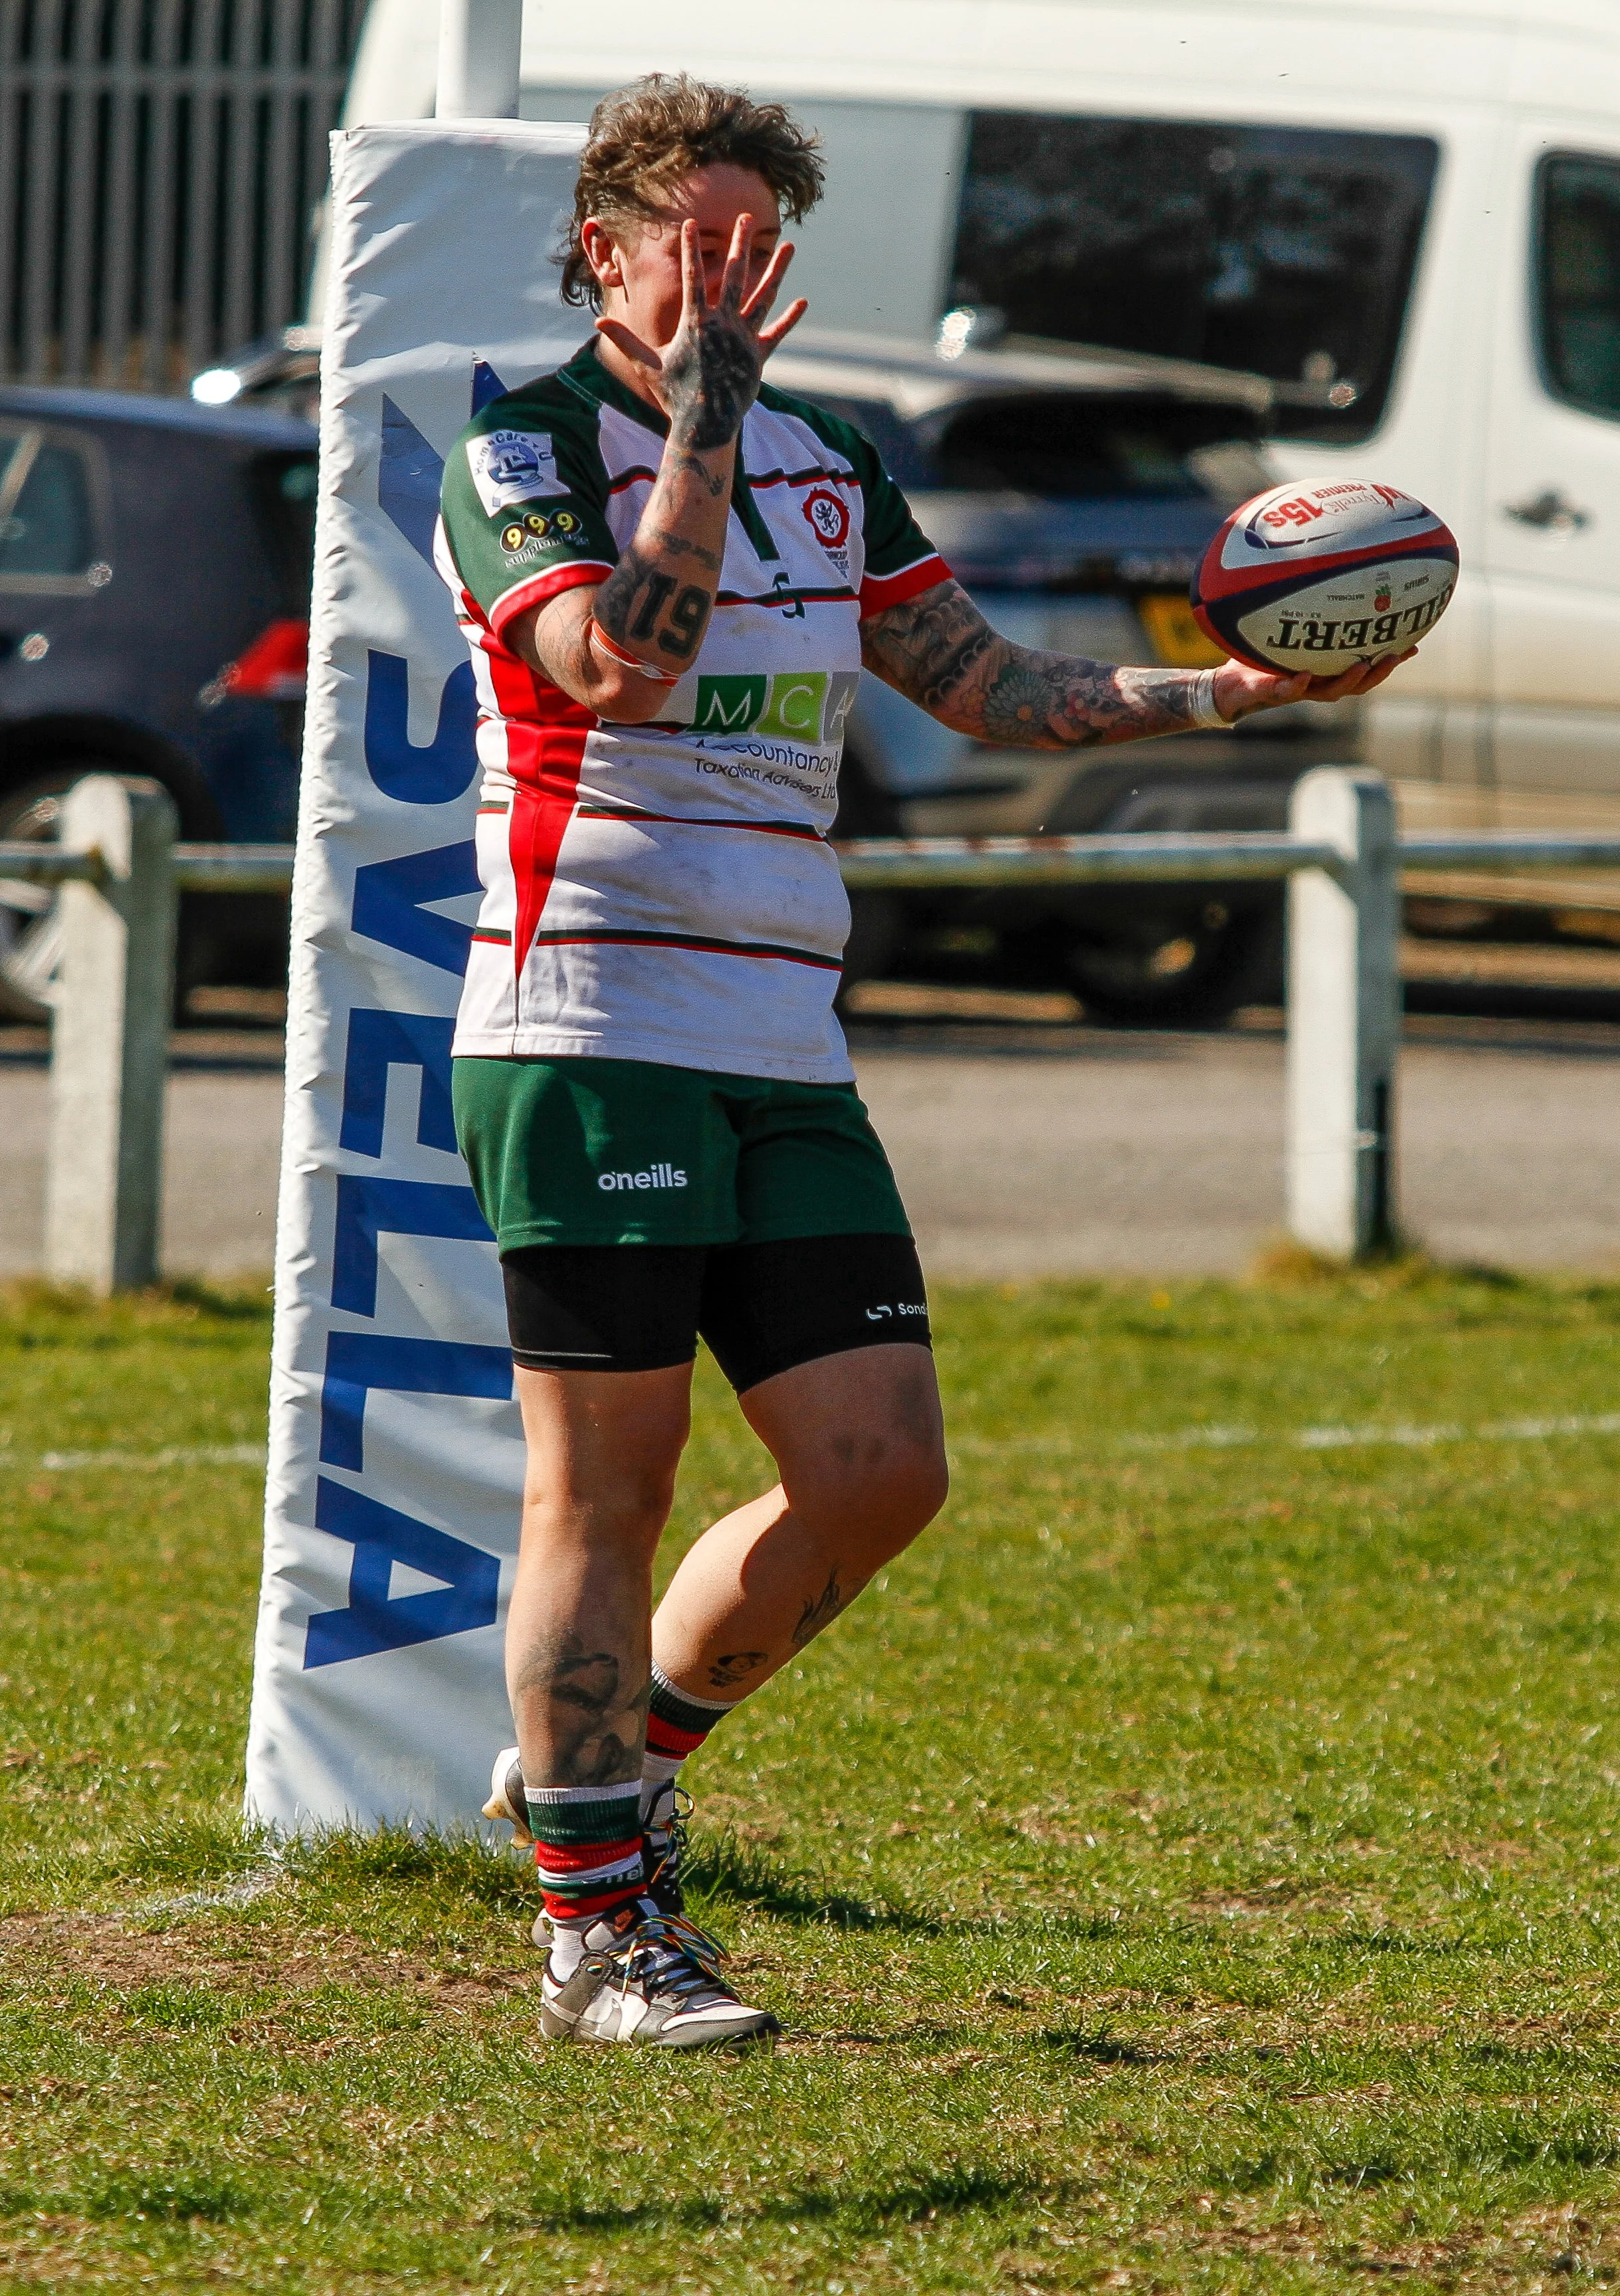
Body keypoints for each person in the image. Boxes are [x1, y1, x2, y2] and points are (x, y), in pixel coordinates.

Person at [435, 74, 1409, 2050]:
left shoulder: (827, 457)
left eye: (750, 239)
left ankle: (606, 1787)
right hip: (588, 1025)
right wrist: (693, 421)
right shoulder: (520, 445)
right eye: (683, 238)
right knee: (599, 1502)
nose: (723, 271)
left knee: (879, 1472)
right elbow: (619, 659)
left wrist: (1233, 684)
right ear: (602, 249)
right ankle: (600, 1935)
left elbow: (995, 687)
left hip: (779, 1037)